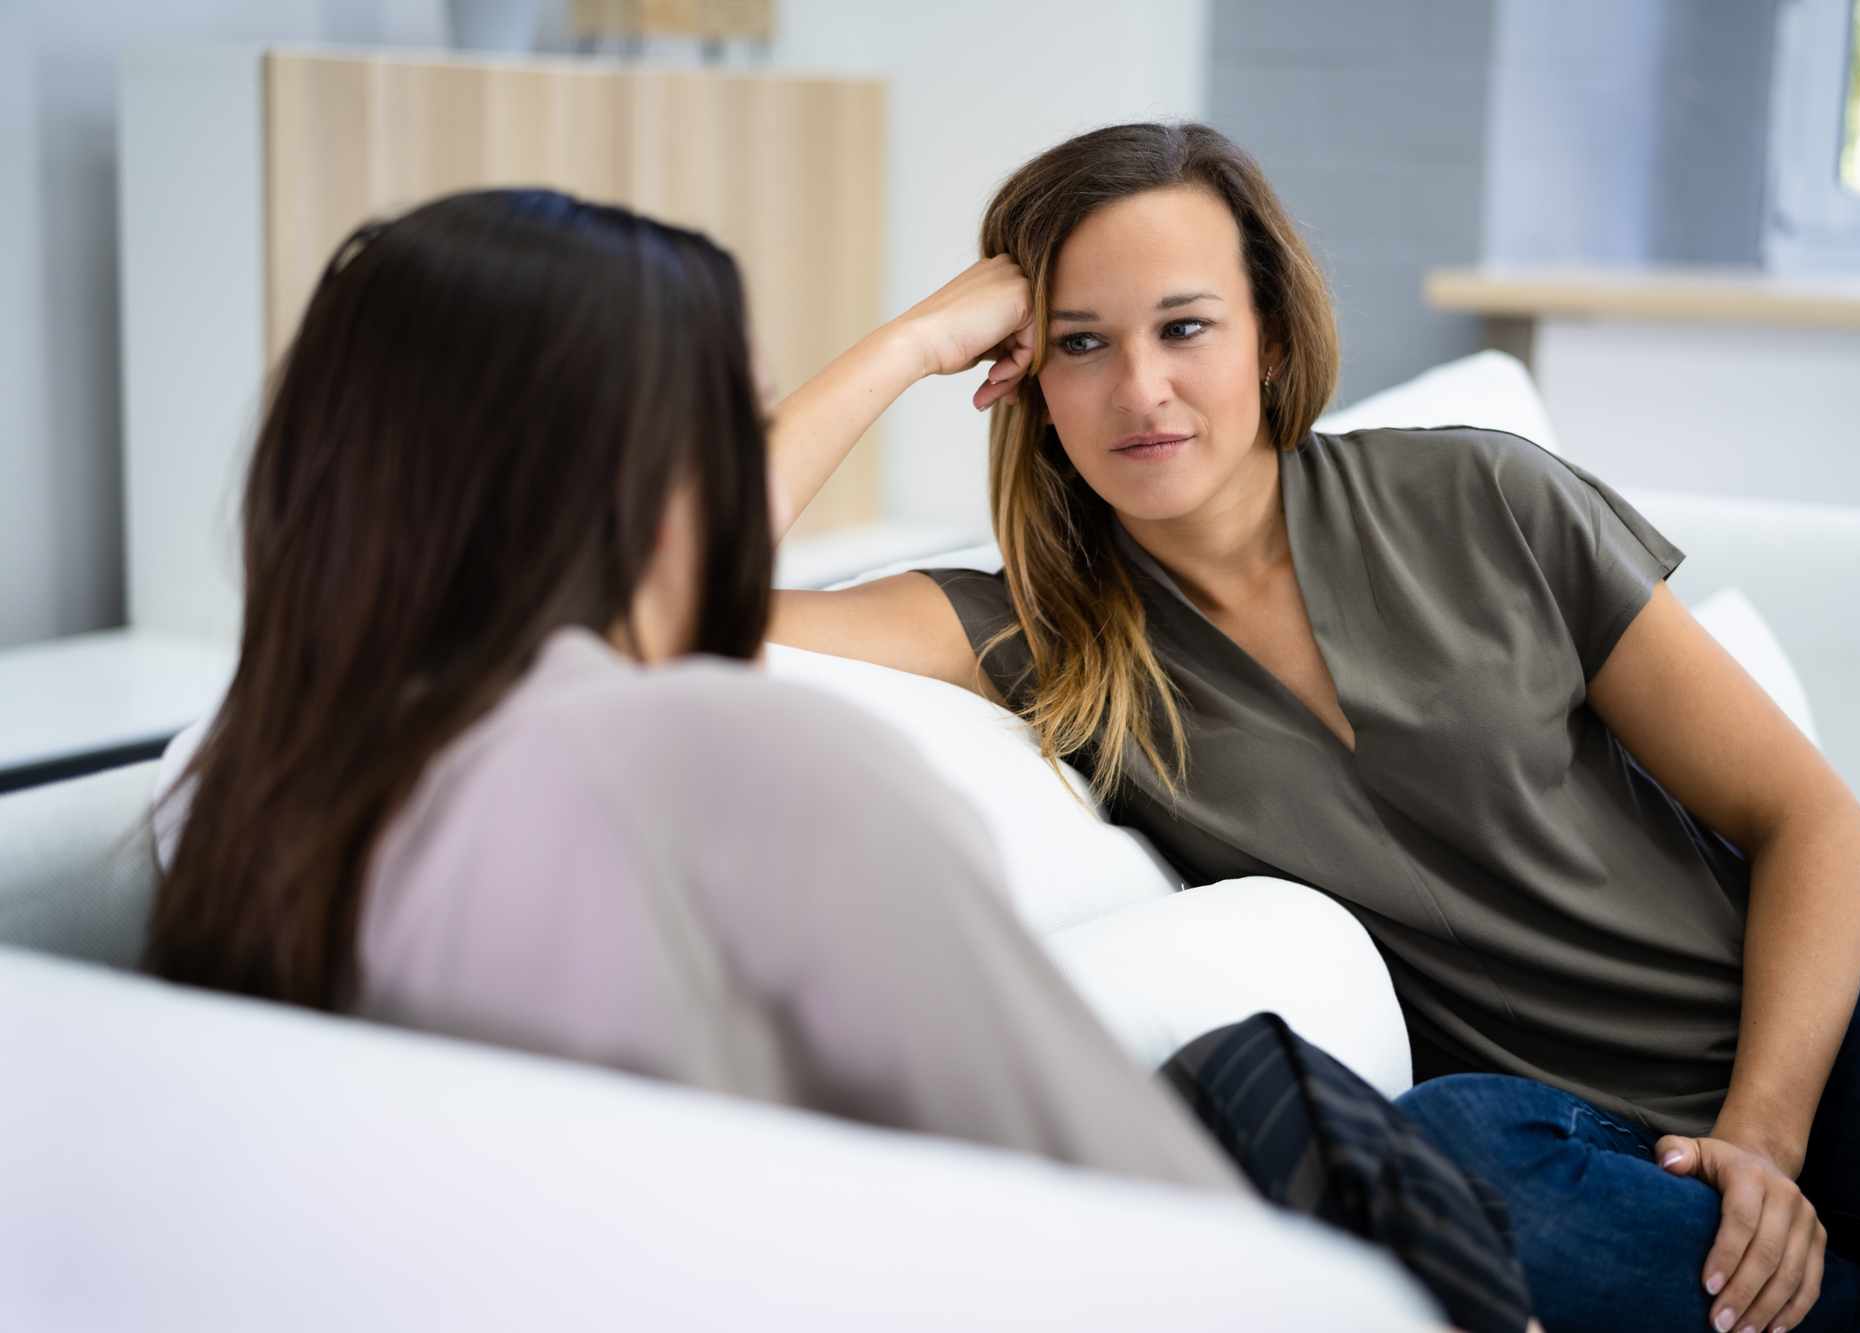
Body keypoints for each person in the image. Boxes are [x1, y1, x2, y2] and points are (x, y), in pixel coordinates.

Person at [764, 122, 1860, 1333]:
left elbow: (1806, 815)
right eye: (1080, 343)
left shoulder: (1483, 496)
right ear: (1025, 376)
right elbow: (660, 605)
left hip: (1818, 1030)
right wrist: (911, 338)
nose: (1138, 388)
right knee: (1449, 1152)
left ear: (1270, 336)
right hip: (1562, 1139)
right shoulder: (1037, 636)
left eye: (1183, 326)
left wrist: (1760, 1141)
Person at [141, 189, 1247, 1195]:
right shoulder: (731, 760)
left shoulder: (246, 781)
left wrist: (910, 342)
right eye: (737, 422)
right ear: (653, 473)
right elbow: (1126, 1191)